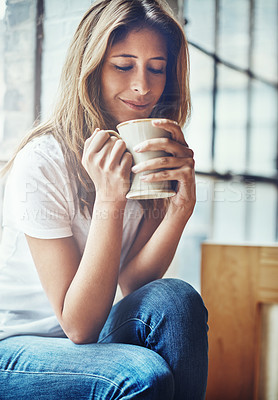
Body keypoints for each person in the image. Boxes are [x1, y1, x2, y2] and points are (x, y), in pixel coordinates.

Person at [0, 0, 208, 399]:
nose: (143, 86)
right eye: (123, 65)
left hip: (90, 329)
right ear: (91, 68)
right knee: (140, 374)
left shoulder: (147, 152)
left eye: (157, 68)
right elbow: (78, 325)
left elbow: (133, 284)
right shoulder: (43, 162)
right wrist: (109, 200)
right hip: (15, 344)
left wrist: (180, 210)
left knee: (177, 298)